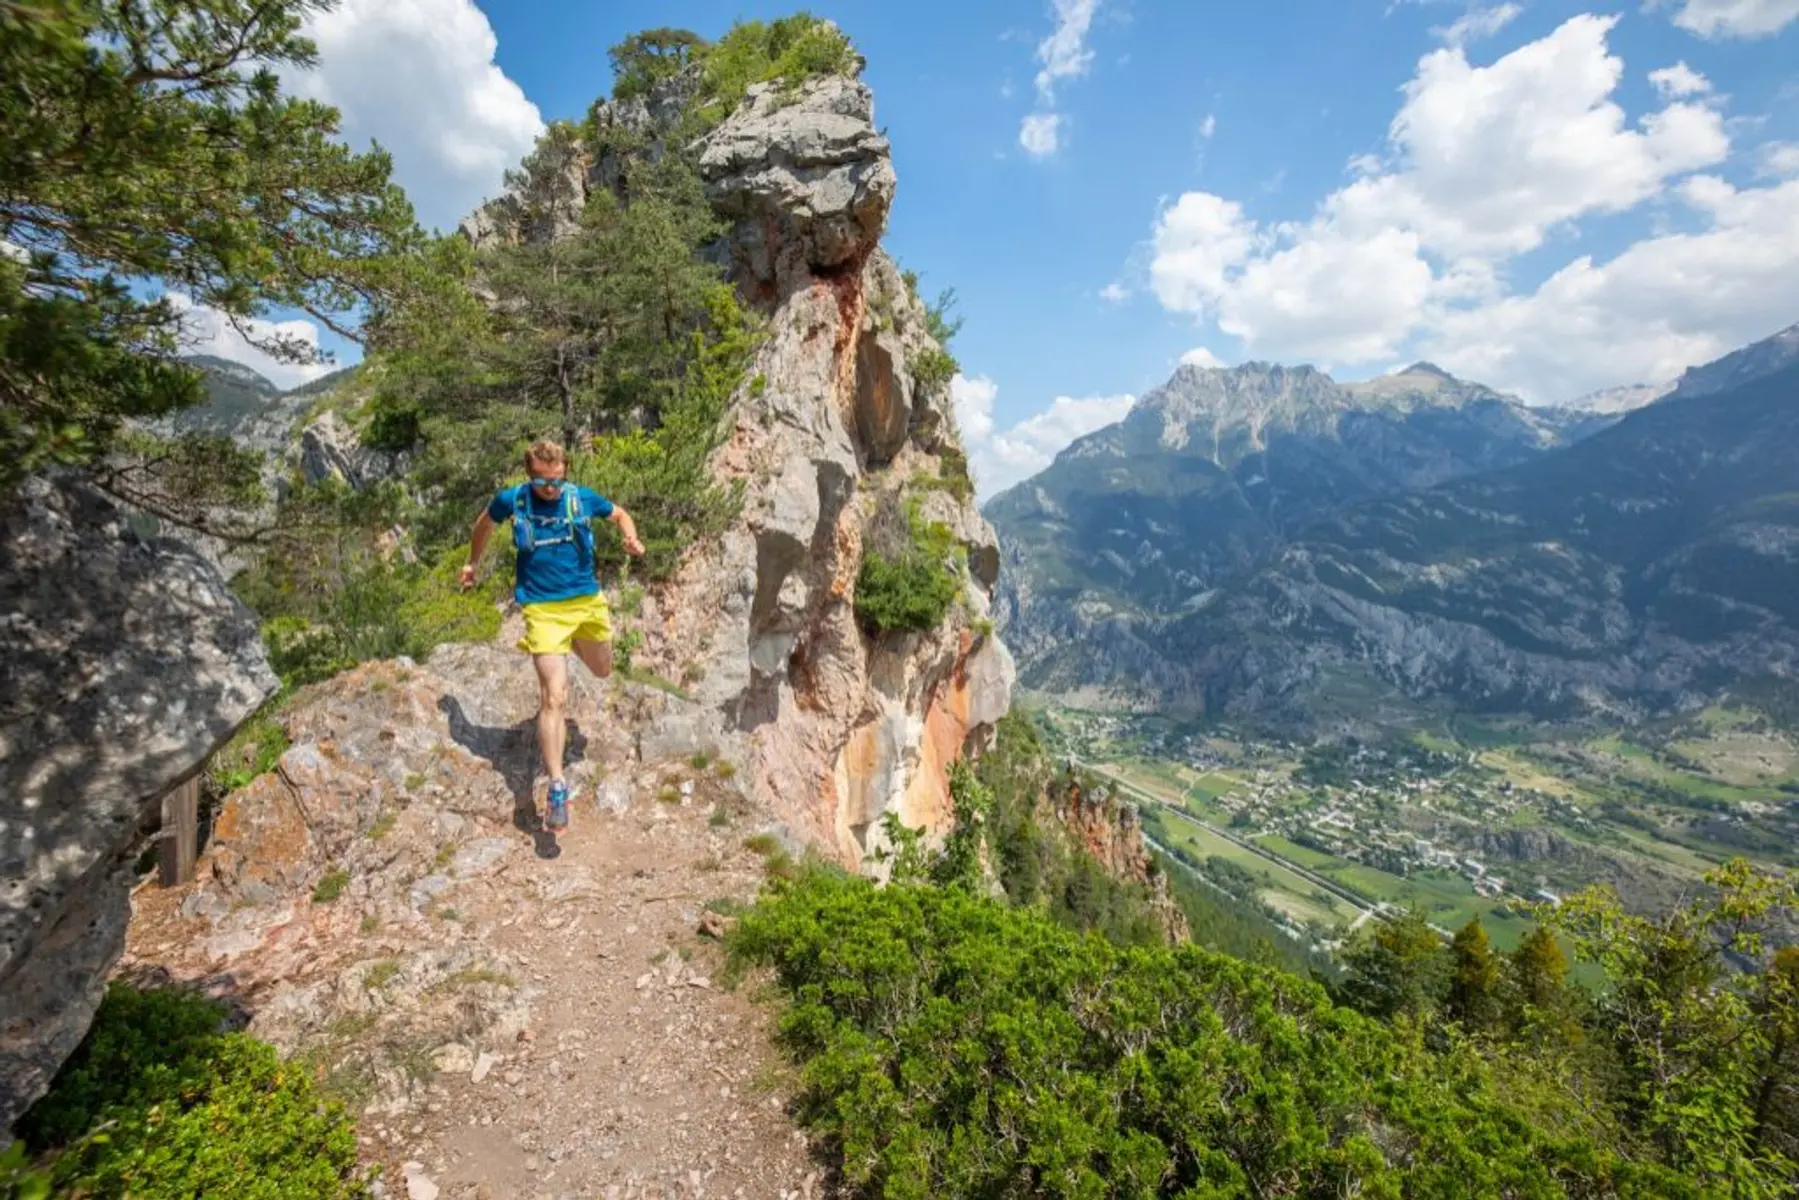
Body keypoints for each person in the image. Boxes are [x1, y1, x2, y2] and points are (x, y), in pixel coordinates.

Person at [459, 440, 644, 833]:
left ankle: (570, 645)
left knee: (602, 669)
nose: (549, 488)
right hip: (542, 609)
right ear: (530, 475)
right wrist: (471, 564)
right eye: (542, 480)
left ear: (565, 471)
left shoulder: (581, 498)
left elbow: (620, 514)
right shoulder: (513, 500)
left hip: (586, 604)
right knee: (554, 696)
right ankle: (558, 787)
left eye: (556, 480)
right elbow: (484, 525)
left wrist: (631, 538)